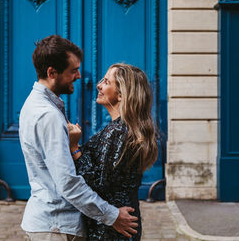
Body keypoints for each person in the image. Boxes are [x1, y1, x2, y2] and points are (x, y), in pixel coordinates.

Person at [18, 35, 138, 241]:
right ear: (52, 72)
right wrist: (113, 216)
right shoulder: (48, 115)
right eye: (73, 70)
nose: (80, 75)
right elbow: (67, 183)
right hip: (57, 226)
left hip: (50, 222)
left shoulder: (35, 105)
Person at [68, 63, 159, 240]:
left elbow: (98, 183)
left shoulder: (118, 131)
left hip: (112, 228)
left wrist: (74, 148)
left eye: (107, 82)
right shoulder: (124, 129)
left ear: (121, 94)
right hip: (119, 222)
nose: (99, 85)